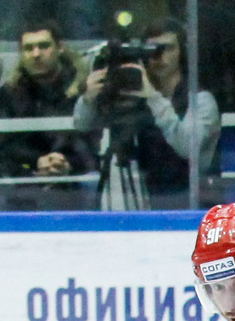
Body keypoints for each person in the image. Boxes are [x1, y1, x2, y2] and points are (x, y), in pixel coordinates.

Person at [75, 15, 220, 209]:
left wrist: (153, 98)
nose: (159, 57)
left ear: (182, 53)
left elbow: (188, 147)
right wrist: (88, 99)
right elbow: (81, 125)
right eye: (152, 49)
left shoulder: (201, 100)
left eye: (167, 48)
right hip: (148, 198)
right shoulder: (136, 96)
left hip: (192, 202)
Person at [0, 21, 94, 207]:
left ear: (59, 48)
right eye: (29, 48)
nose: (36, 54)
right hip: (26, 177)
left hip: (74, 176)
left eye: (44, 46)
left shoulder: (82, 88)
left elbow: (89, 142)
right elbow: (4, 147)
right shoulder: (8, 93)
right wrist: (36, 162)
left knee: (91, 184)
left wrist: (66, 163)